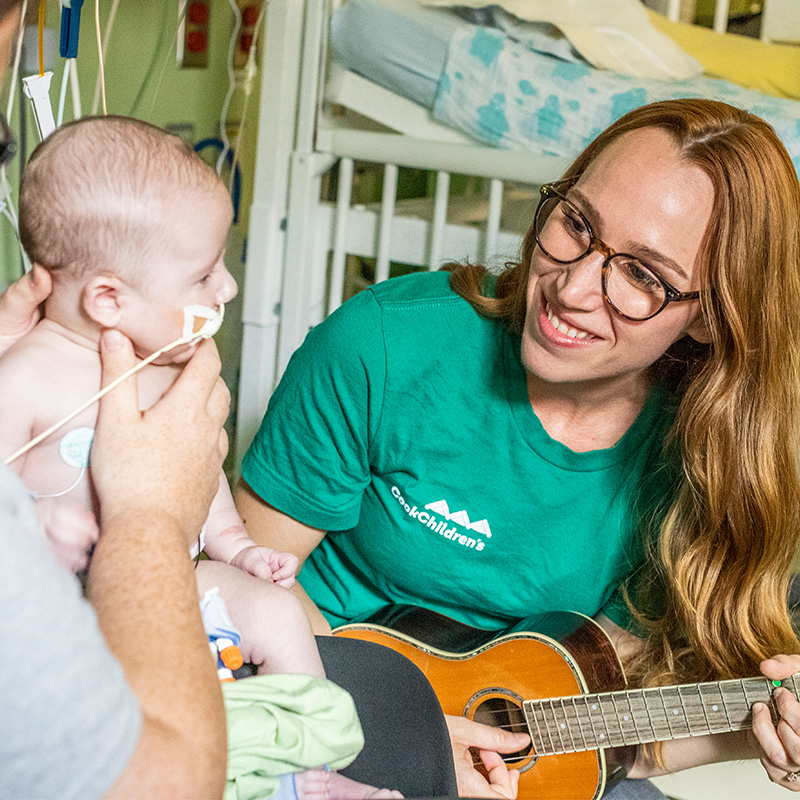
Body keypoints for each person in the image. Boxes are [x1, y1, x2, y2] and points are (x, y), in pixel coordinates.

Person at [234, 98, 800, 798]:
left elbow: (593, 727)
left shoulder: (697, 463)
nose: (570, 287)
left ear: (711, 318)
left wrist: (757, 731)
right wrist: (403, 738)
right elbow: (237, 591)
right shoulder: (383, 345)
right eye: (577, 224)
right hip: (312, 705)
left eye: (643, 277)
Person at [0, 115, 402, 800]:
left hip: (167, 587)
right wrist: (34, 525)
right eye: (204, 275)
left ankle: (314, 767)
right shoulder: (26, 375)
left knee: (275, 610)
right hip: (58, 609)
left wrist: (239, 548)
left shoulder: (164, 371)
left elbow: (199, 484)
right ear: (108, 298)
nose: (227, 290)